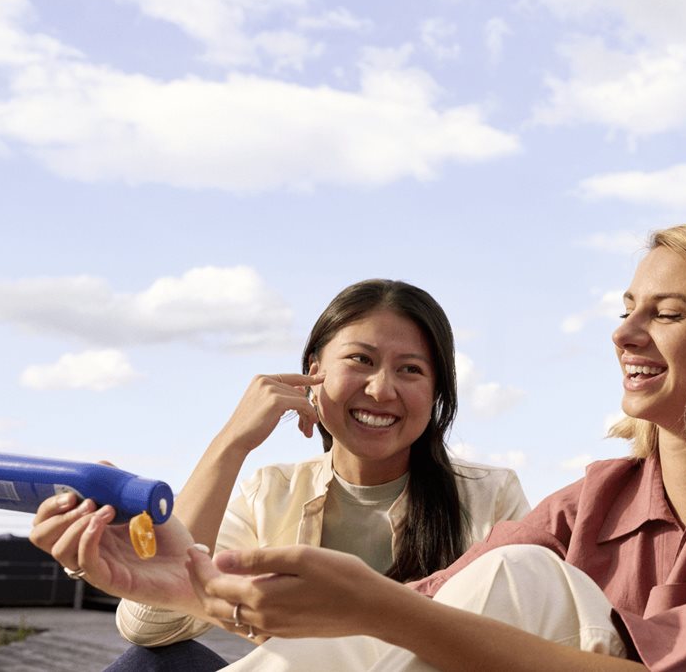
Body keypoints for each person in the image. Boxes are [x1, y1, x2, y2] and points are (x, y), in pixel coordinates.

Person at [31, 279, 529, 668]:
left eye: (411, 370)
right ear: (313, 370)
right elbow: (152, 627)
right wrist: (231, 443)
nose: (380, 390)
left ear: (438, 391)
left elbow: (518, 646)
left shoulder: (490, 497)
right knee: (151, 664)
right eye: (361, 359)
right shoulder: (270, 492)